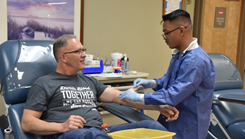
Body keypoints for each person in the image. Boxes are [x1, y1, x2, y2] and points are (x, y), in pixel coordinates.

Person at [21, 34, 179, 139]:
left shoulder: (88, 81)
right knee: (91, 135)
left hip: (101, 131)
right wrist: (61, 126)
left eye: (84, 50)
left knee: (152, 126)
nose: (84, 55)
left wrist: (158, 107)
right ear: (63, 57)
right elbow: (27, 123)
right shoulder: (44, 83)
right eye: (78, 51)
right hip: (71, 134)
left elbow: (121, 97)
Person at [119, 9, 215, 139]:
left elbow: (174, 94)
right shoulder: (180, 54)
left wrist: (139, 97)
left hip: (189, 125)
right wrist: (152, 83)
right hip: (171, 118)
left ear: (182, 30)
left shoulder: (197, 61)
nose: (165, 38)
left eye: (166, 33)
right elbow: (169, 82)